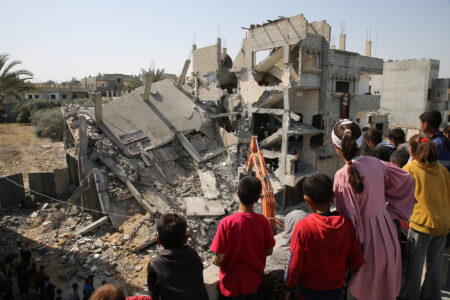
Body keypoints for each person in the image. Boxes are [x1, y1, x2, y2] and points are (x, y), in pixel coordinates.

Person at [331, 119, 415, 300]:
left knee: (361, 290)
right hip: (387, 233)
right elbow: (406, 180)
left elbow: (348, 219)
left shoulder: (341, 176)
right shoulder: (377, 163)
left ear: (335, 146)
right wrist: (390, 210)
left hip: (363, 242)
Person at [285, 174, 364, 300]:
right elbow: (356, 261)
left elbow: (294, 263)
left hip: (309, 291)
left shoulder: (304, 227)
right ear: (333, 197)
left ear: (307, 200)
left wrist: (289, 287)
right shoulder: (347, 225)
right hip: (336, 290)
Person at [399, 135, 450, 300]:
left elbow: (402, 194)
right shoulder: (443, 170)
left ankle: (410, 296)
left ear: (413, 150)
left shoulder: (411, 168)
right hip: (442, 223)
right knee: (435, 267)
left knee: (415, 266)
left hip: (421, 223)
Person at [210, 176, 276, 299]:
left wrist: (216, 261)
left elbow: (218, 258)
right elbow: (269, 250)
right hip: (254, 284)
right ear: (257, 199)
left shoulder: (226, 223)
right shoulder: (262, 221)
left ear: (237, 193)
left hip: (230, 286)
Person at [147, 213, 208, 300]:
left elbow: (153, 294)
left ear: (158, 240)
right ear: (186, 238)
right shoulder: (193, 254)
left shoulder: (155, 265)